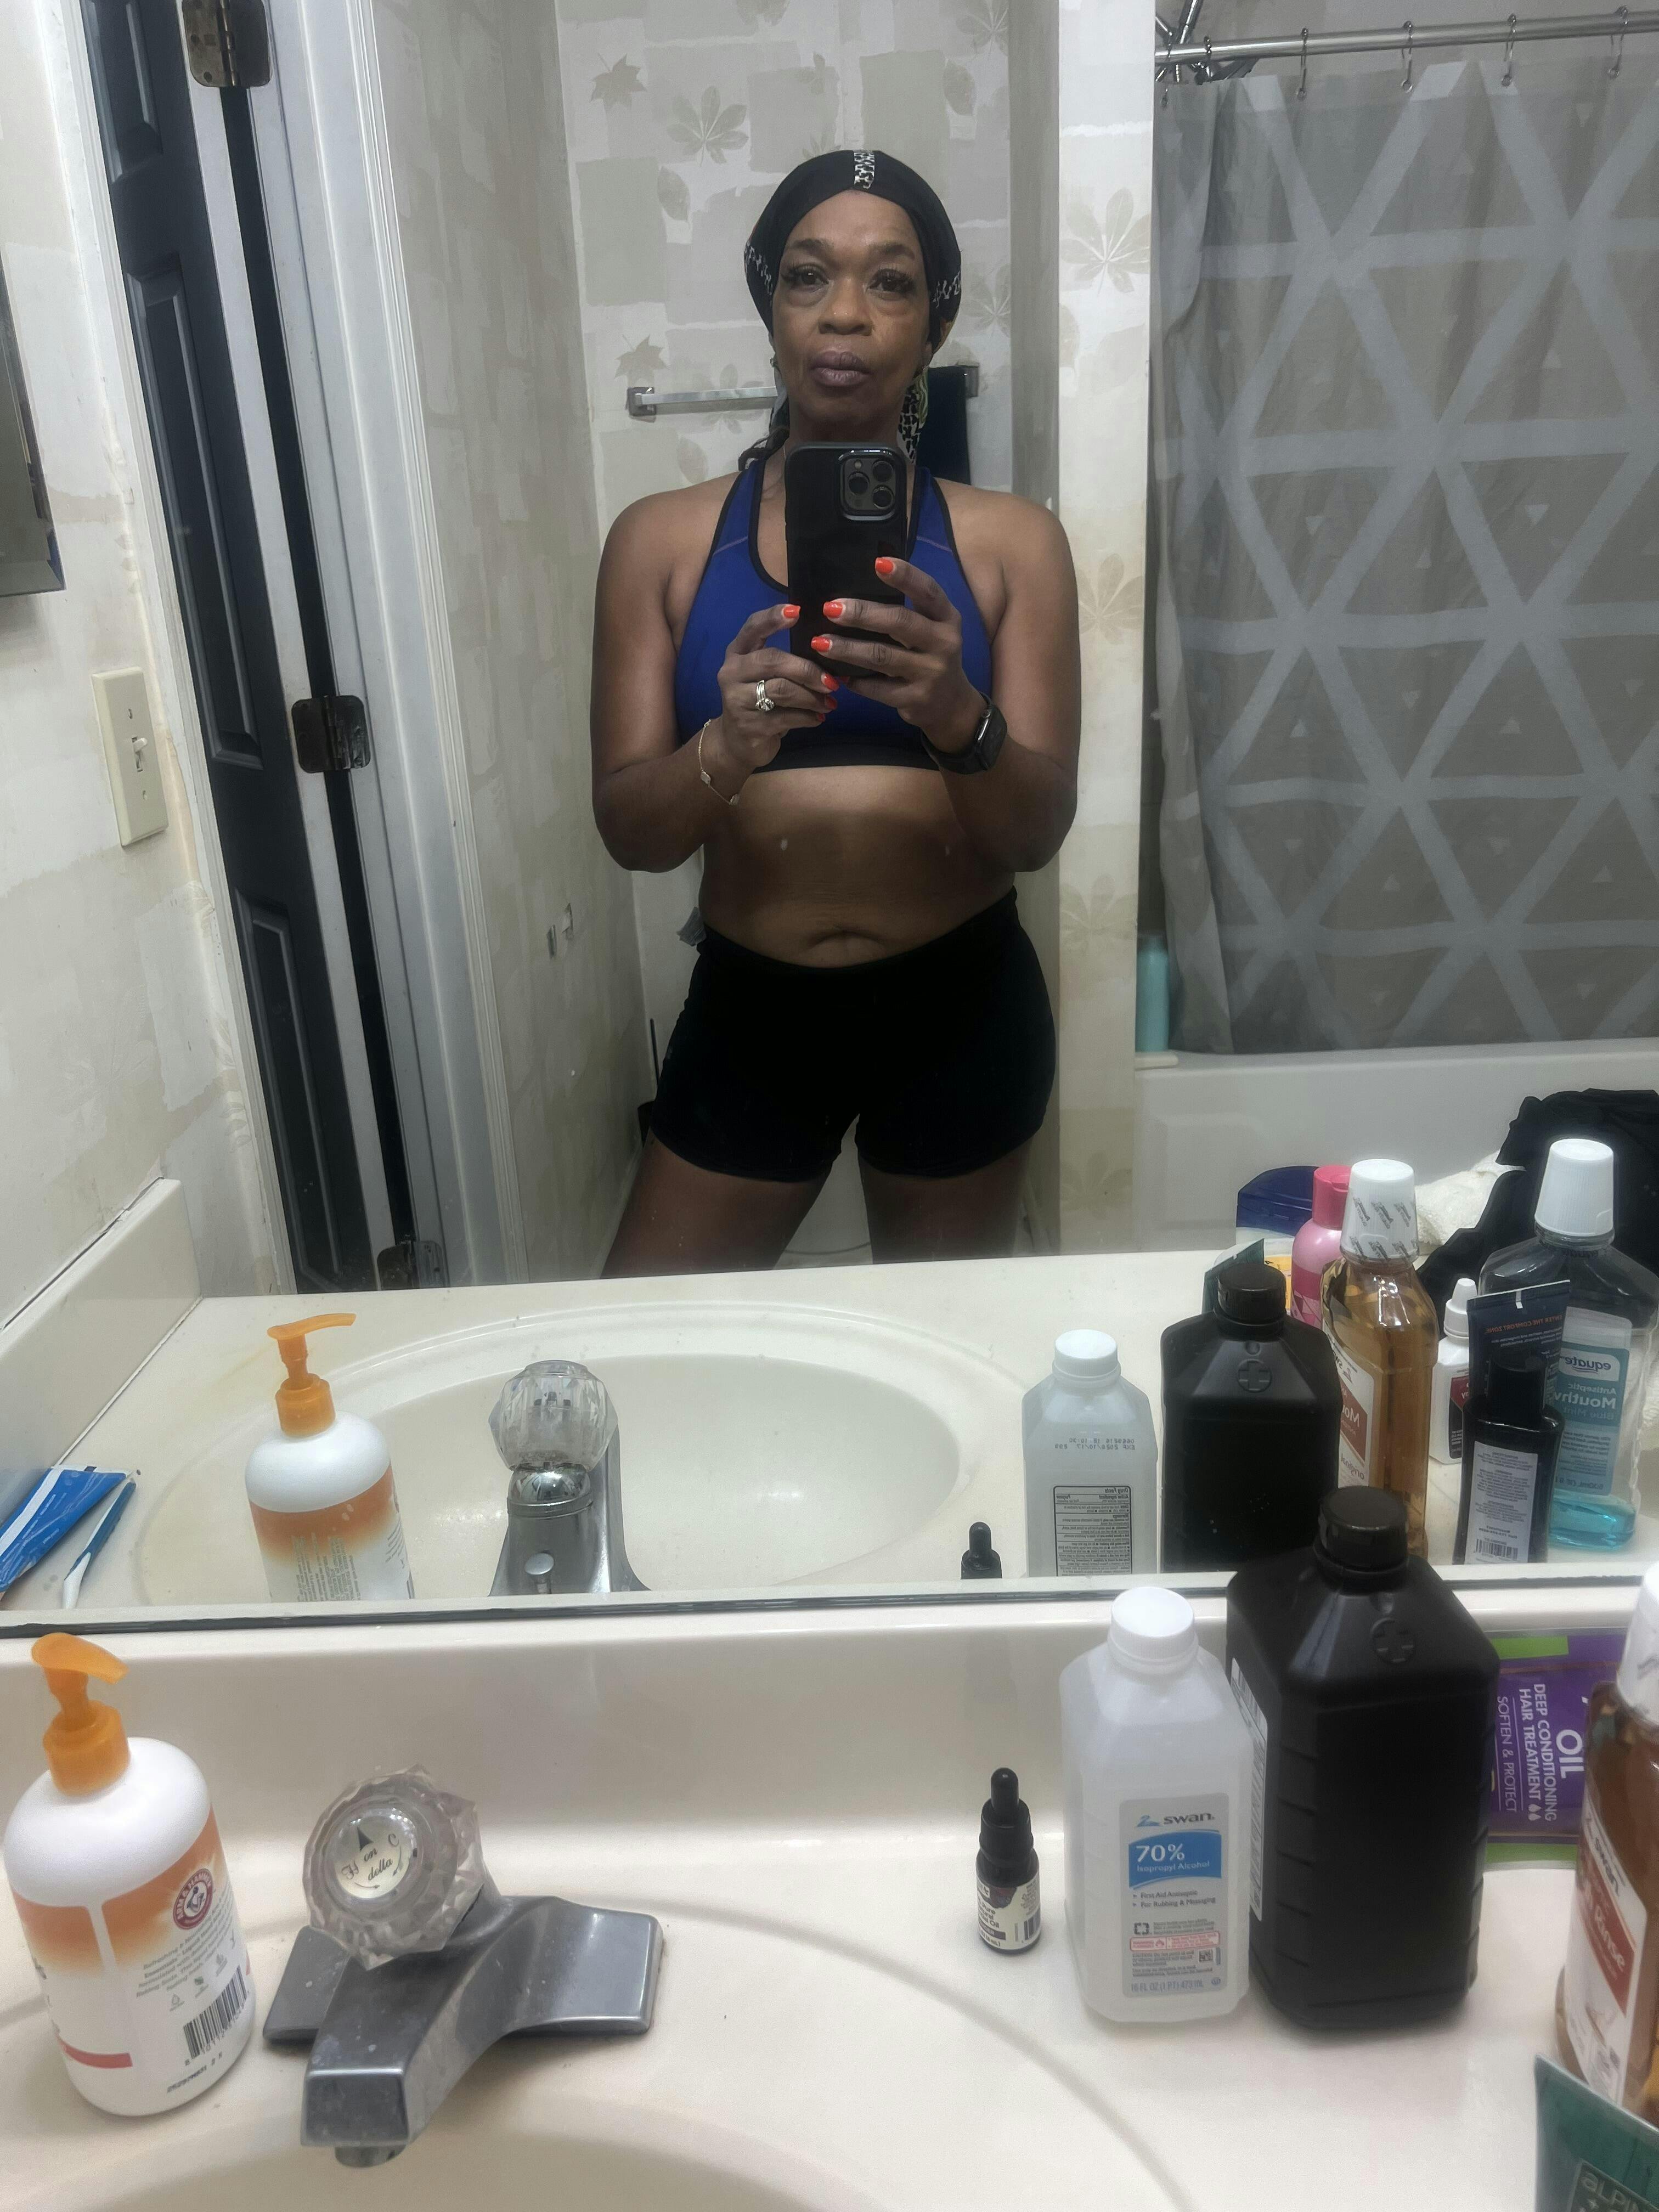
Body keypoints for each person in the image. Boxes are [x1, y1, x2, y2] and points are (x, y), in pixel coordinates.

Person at [591, 149, 1080, 1274]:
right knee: (643, 1330)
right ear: (772, 308)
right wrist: (724, 749)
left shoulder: (1013, 544)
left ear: (934, 325)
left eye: (890, 281)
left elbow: (1035, 834)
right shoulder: (659, 541)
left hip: (961, 1005)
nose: (846, 313)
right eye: (808, 276)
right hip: (753, 1015)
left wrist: (959, 717)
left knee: (936, 1343)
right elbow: (631, 834)